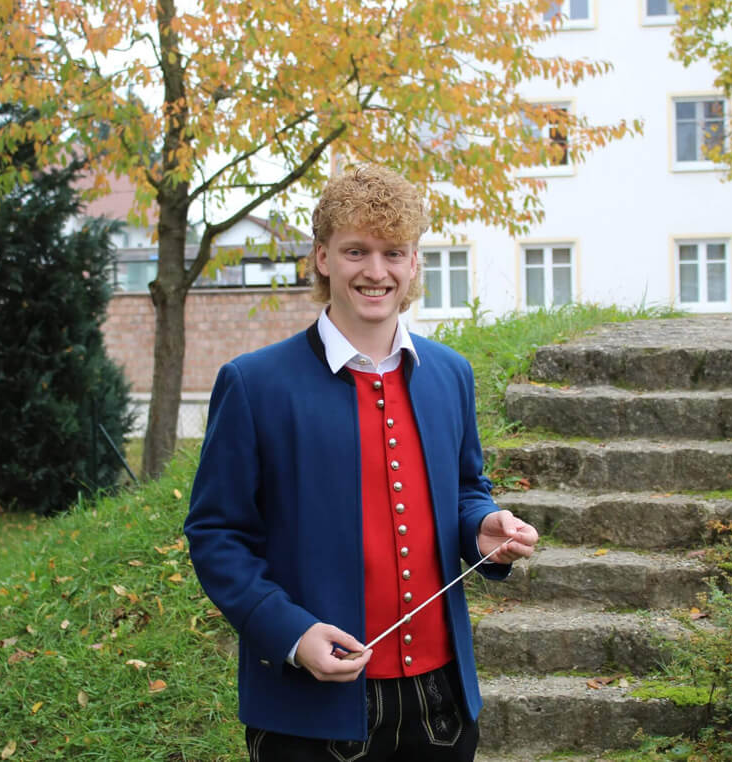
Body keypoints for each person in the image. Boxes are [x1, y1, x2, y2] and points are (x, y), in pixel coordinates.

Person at [184, 164, 539, 761]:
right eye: (356, 251)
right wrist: (290, 634)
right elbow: (216, 534)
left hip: (441, 704)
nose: (376, 272)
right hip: (309, 710)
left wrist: (480, 526)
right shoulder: (254, 384)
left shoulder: (450, 373)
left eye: (393, 253)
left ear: (414, 264)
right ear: (323, 258)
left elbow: (463, 488)